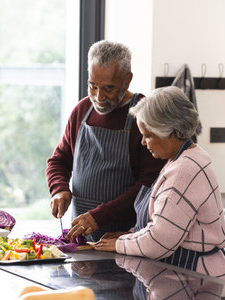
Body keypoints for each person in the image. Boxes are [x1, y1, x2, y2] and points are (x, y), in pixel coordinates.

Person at [94, 86, 225, 281]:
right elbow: (166, 221)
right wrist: (131, 234)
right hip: (185, 274)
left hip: (196, 279)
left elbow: (158, 242)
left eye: (148, 135)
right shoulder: (184, 158)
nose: (144, 142)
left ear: (170, 131)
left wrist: (119, 244)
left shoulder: (185, 170)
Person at [46, 40, 165, 242]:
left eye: (108, 88)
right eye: (93, 86)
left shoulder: (144, 115)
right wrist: (59, 189)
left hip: (126, 239)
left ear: (127, 80)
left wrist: (100, 216)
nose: (99, 96)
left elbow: (148, 187)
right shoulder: (82, 111)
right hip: (81, 240)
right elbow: (59, 160)